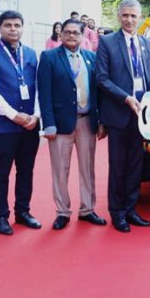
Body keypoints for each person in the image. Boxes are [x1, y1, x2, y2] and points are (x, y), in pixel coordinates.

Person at [96, 0, 150, 233]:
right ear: (118, 16)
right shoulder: (106, 42)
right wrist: (125, 98)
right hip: (118, 114)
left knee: (136, 165)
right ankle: (117, 212)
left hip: (143, 115)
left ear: (140, 17)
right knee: (118, 165)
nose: (129, 19)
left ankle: (130, 209)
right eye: (125, 15)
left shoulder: (147, 44)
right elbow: (102, 79)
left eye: (133, 16)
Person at [0, 10, 42, 235]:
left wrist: (36, 115)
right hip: (4, 125)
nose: (13, 29)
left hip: (30, 124)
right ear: (0, 28)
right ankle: (0, 216)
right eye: (8, 25)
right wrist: (13, 115)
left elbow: (38, 87)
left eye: (17, 25)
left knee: (26, 170)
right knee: (2, 171)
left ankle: (23, 211)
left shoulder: (31, 54)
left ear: (23, 28)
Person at [39, 19, 107, 230]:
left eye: (75, 33)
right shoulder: (49, 57)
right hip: (60, 125)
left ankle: (87, 209)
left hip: (87, 122)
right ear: (60, 35)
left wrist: (101, 121)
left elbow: (99, 92)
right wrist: (48, 123)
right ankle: (62, 212)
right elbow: (44, 93)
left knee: (88, 169)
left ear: (83, 35)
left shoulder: (91, 58)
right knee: (60, 169)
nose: (70, 36)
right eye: (66, 32)